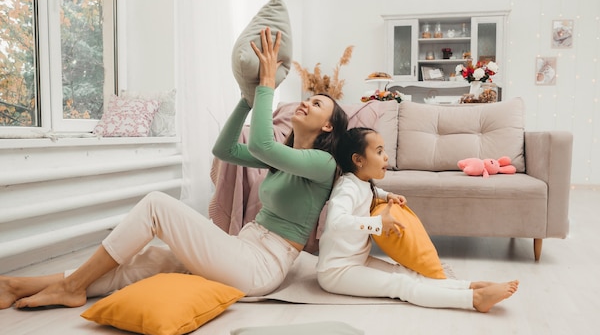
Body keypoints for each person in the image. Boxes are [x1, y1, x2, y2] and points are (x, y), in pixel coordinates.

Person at [0, 27, 348, 310]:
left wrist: (267, 86)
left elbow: (260, 144)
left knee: (156, 205)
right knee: (148, 261)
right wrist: (245, 101)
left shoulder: (322, 163)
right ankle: (18, 284)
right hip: (244, 247)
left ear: (329, 127)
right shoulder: (283, 156)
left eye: (316, 103)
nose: (305, 102)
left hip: (261, 267)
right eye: (307, 98)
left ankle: (73, 286)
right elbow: (223, 149)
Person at [316, 127, 519, 313]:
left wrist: (387, 196)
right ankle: (473, 299)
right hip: (337, 271)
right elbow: (336, 222)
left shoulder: (361, 182)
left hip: (357, 260)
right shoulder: (346, 188)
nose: (386, 157)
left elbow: (370, 192)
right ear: (358, 160)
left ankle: (467, 285)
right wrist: (377, 224)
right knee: (400, 285)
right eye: (379, 152)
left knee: (405, 273)